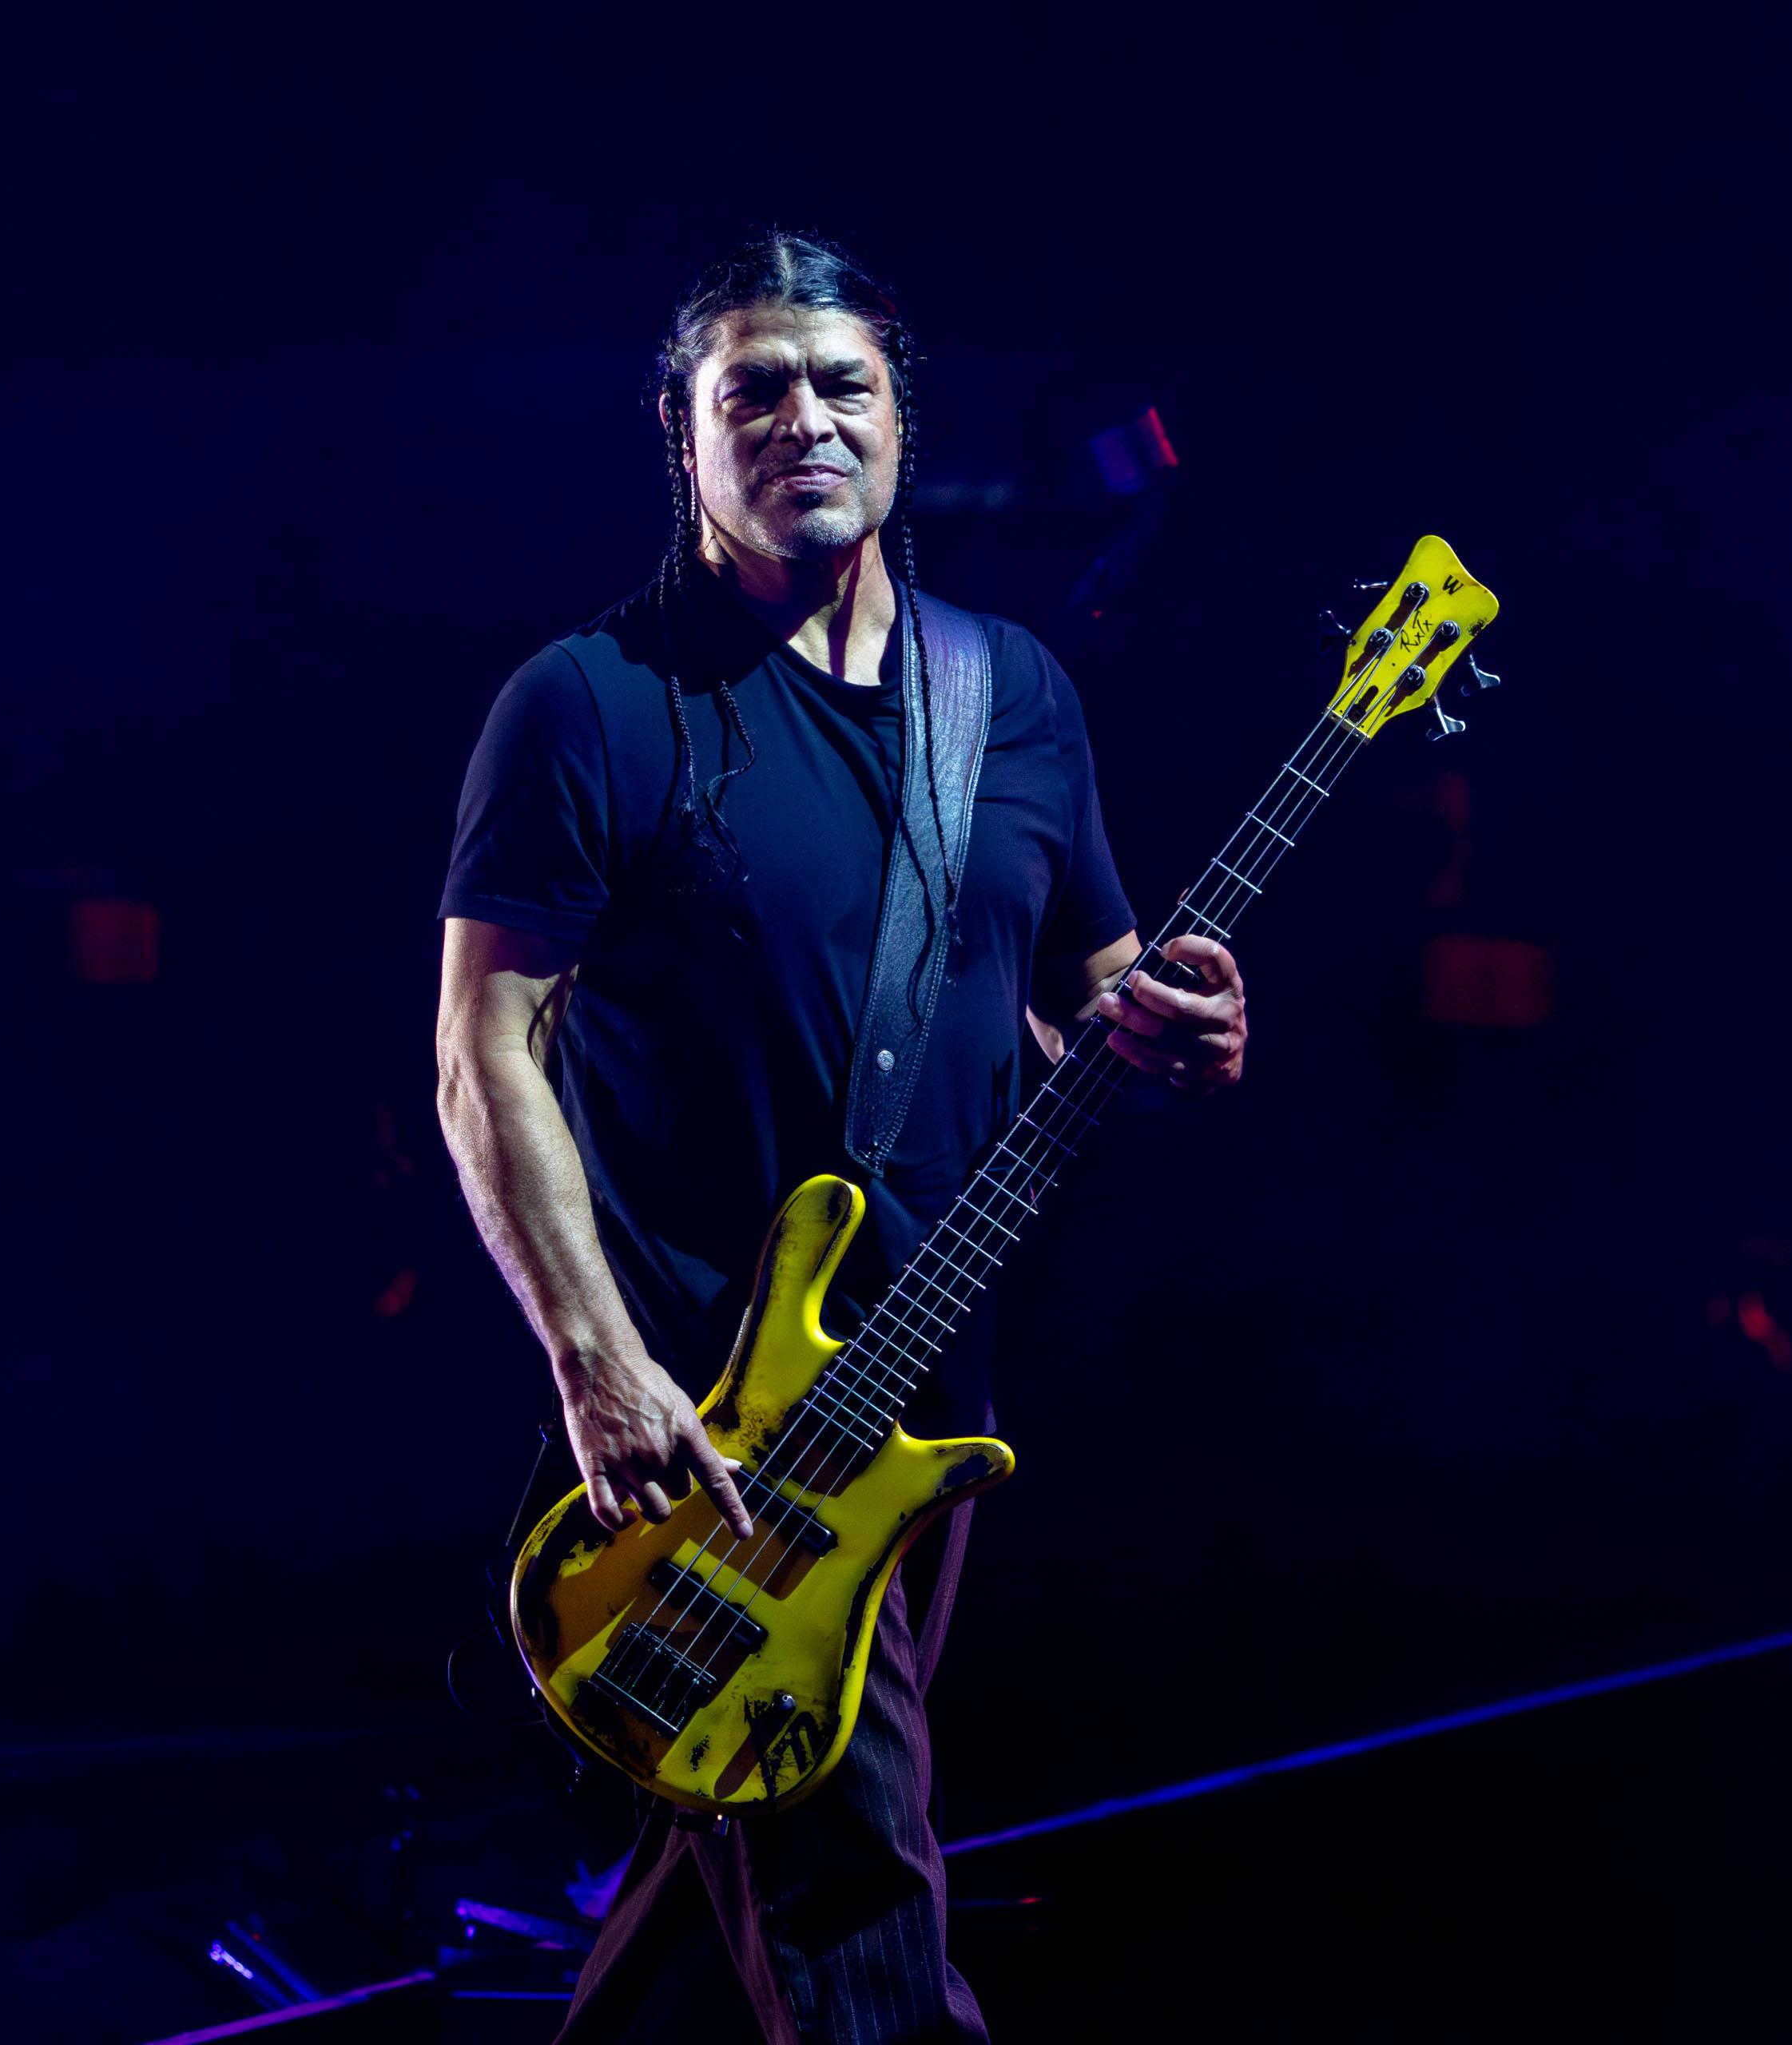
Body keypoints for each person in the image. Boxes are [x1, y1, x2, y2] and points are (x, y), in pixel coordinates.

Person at [433, 232, 1247, 2043]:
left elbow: (1086, 990)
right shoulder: (590, 700)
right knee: (855, 1899)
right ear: (685, 433)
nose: (804, 419)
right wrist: (597, 1363)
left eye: (841, 384)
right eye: (756, 391)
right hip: (707, 1427)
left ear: (899, 416)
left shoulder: (1008, 692)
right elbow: (483, 1051)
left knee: (718, 1889)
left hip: (924, 1387)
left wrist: (1177, 1024)